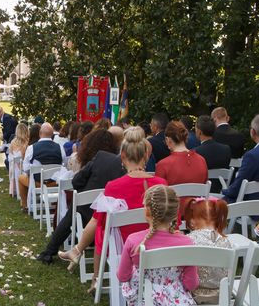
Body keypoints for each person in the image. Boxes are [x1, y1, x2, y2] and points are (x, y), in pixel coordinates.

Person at [58, 127, 167, 294]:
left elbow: (97, 219)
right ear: (146, 155)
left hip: (124, 245)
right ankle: (79, 255)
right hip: (156, 242)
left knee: (101, 226)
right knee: (101, 224)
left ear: (122, 156)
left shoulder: (114, 186)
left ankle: (94, 276)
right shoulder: (161, 183)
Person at [119, 185, 198, 306]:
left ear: (147, 211)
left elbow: (122, 276)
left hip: (142, 295)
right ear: (176, 213)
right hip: (172, 296)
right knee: (167, 282)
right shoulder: (187, 242)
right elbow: (191, 283)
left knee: (135, 279)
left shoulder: (134, 240)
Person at [36, 128, 122, 264]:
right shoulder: (121, 163)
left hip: (88, 212)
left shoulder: (99, 157)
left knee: (72, 212)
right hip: (113, 214)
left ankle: (50, 250)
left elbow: (76, 182)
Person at [185, 197, 232, 304]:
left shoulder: (188, 240)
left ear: (193, 219)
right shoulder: (226, 242)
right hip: (221, 294)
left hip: (192, 294)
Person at [154, 120, 208, 215]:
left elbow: (159, 198)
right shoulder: (202, 160)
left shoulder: (163, 165)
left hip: (172, 219)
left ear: (168, 140)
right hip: (197, 216)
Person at [18, 123, 65, 211]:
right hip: (55, 183)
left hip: (37, 183)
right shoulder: (60, 148)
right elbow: (64, 165)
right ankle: (55, 204)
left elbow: (26, 169)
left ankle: (25, 206)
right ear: (52, 134)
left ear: (40, 133)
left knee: (21, 178)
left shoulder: (31, 148)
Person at [193, 115, 232, 193]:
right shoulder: (226, 149)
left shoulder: (196, 152)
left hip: (201, 192)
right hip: (220, 190)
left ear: (199, 132)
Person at [8, 123, 30, 197]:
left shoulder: (13, 142)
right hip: (23, 168)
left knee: (14, 166)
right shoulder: (27, 143)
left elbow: (10, 155)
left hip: (14, 168)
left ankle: (13, 190)